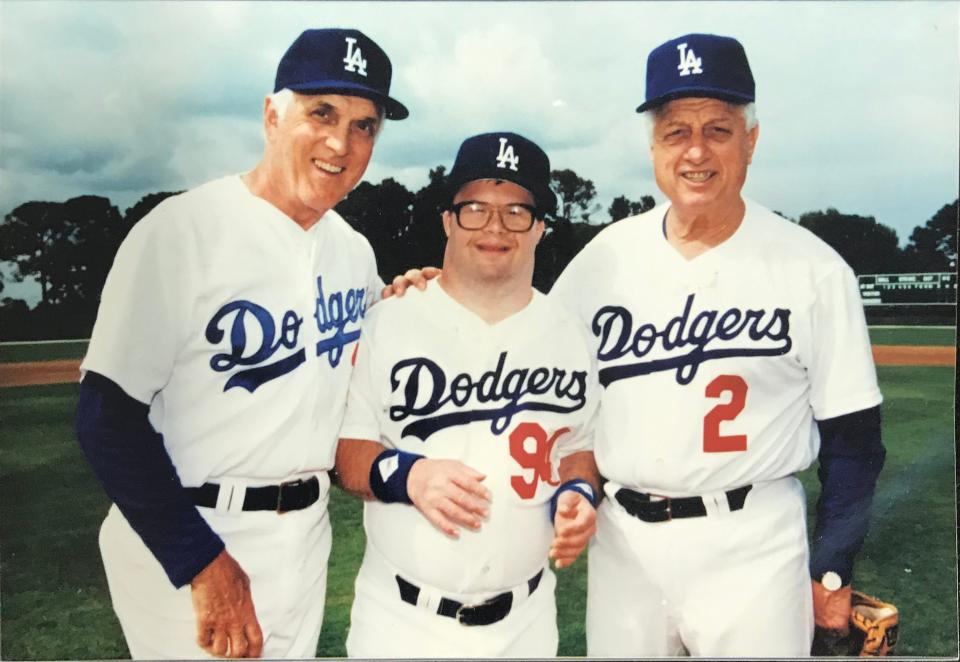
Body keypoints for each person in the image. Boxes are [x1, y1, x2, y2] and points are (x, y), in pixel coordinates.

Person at [74, 28, 410, 659]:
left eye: (365, 125)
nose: (342, 142)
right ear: (271, 116)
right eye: (322, 113)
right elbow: (104, 418)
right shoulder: (181, 232)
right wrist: (204, 565)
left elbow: (359, 388)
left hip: (304, 541)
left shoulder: (353, 253)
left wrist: (410, 298)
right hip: (193, 539)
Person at [550, 33, 886, 657]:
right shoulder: (602, 261)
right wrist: (435, 288)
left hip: (753, 545)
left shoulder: (813, 269)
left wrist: (833, 569)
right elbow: (526, 343)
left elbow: (855, 441)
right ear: (653, 145)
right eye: (676, 131)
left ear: (752, 141)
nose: (696, 152)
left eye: (719, 130)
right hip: (624, 547)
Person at [334, 132, 601, 658]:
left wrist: (580, 495)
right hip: (400, 623)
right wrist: (408, 475)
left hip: (526, 623)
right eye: (476, 208)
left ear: (541, 226)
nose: (496, 227)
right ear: (448, 220)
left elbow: (580, 448)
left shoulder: (570, 333)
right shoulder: (388, 320)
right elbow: (345, 455)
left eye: (517, 211)